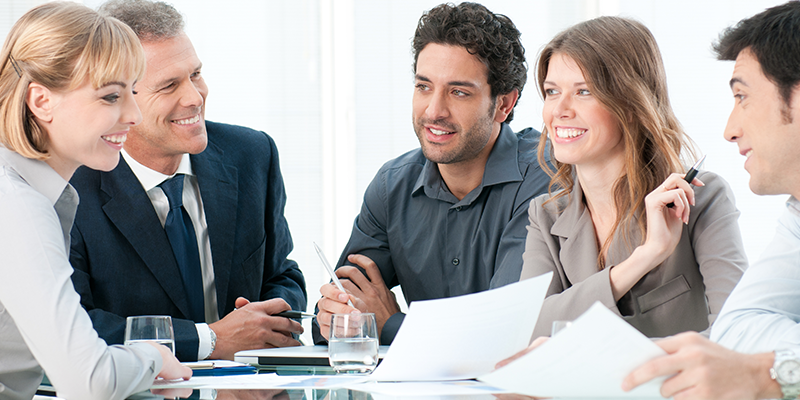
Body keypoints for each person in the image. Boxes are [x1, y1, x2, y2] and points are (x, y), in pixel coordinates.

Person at [68, 0, 306, 362]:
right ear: (115, 99)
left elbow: (282, 272)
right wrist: (208, 339)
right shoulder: (69, 187)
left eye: (195, 74)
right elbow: (77, 325)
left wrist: (265, 320)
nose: (195, 97)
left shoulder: (252, 154)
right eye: (168, 86)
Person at [314, 2, 551, 345]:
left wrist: (389, 324)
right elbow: (332, 322)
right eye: (423, 86)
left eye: (458, 92)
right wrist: (340, 314)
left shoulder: (542, 178)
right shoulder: (392, 186)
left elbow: (504, 332)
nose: (434, 111)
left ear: (504, 104)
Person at [0, 2, 191, 399]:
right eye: (110, 97)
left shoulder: (37, 194)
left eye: (133, 93)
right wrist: (151, 354)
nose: (134, 115)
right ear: (41, 101)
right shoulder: (17, 204)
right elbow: (90, 381)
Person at [515, 16, 746, 339]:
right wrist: (646, 256)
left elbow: (740, 333)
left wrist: (595, 360)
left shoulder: (703, 198)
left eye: (584, 91)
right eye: (552, 91)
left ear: (631, 104)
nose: (559, 110)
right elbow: (526, 326)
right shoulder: (545, 214)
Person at [622, 2, 800, 399]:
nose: (729, 130)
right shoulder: (797, 213)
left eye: (743, 97)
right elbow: (738, 328)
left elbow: (753, 359)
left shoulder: (709, 196)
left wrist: (774, 376)